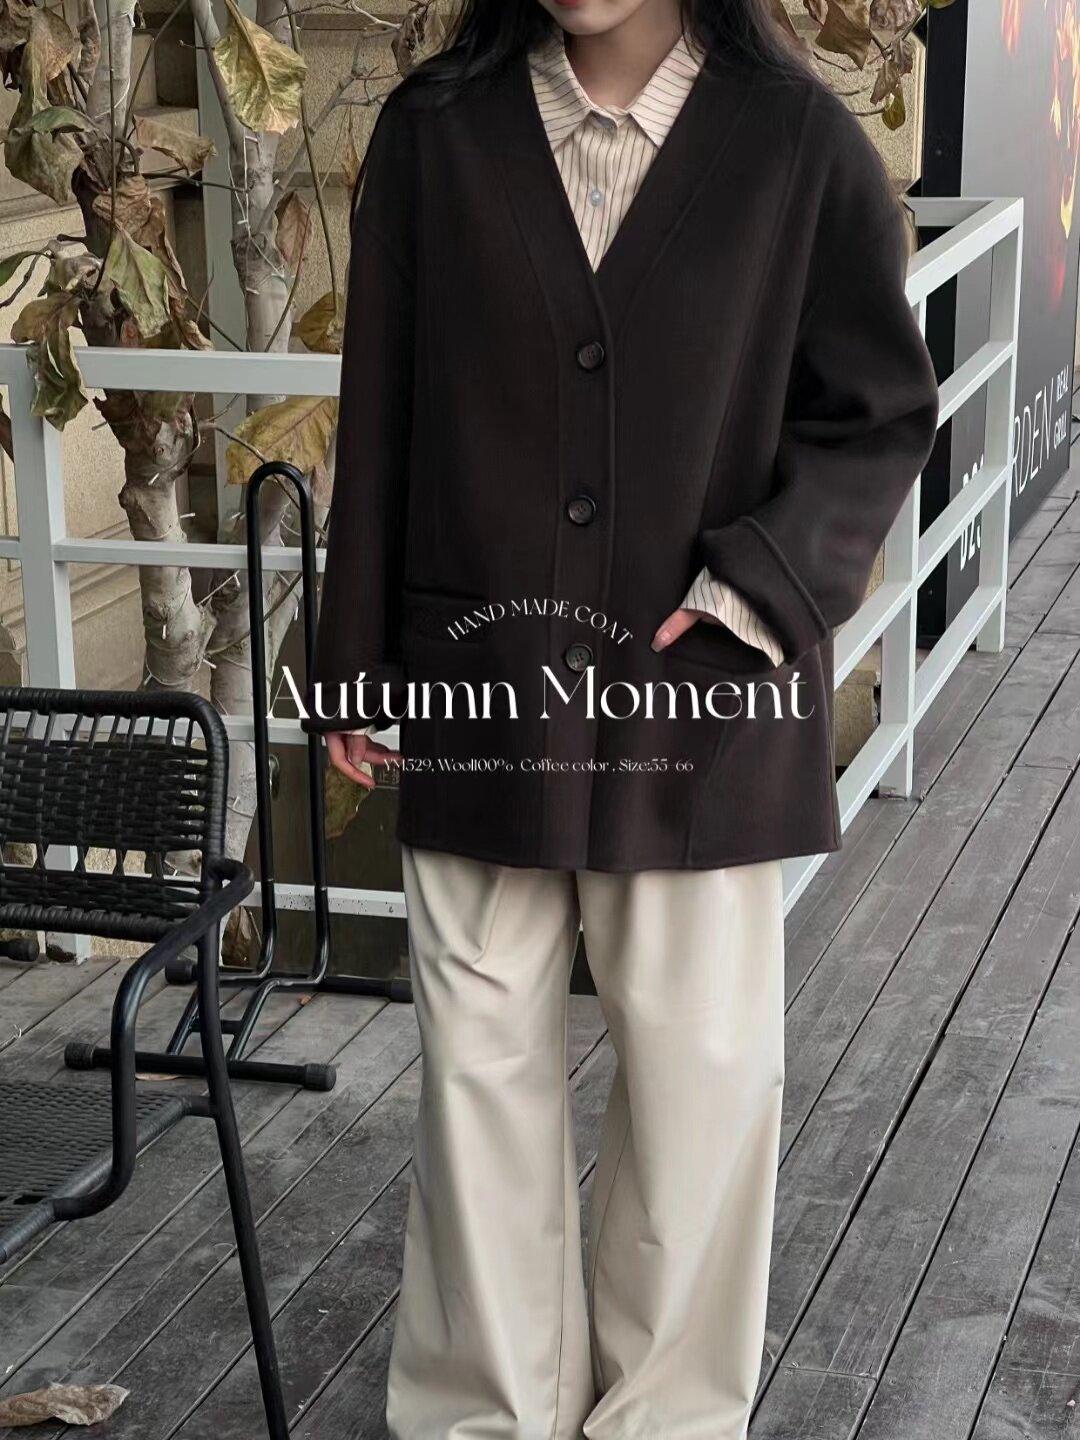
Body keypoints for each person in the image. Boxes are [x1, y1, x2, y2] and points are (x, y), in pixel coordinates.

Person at [299, 1, 941, 1435]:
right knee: (477, 1082)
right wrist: (354, 663)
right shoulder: (435, 134)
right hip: (477, 688)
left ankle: (668, 1418)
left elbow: (880, 412)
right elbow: (381, 404)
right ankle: (487, 1415)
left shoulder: (797, 144)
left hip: (698, 696)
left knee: (701, 1088)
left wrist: (757, 590)